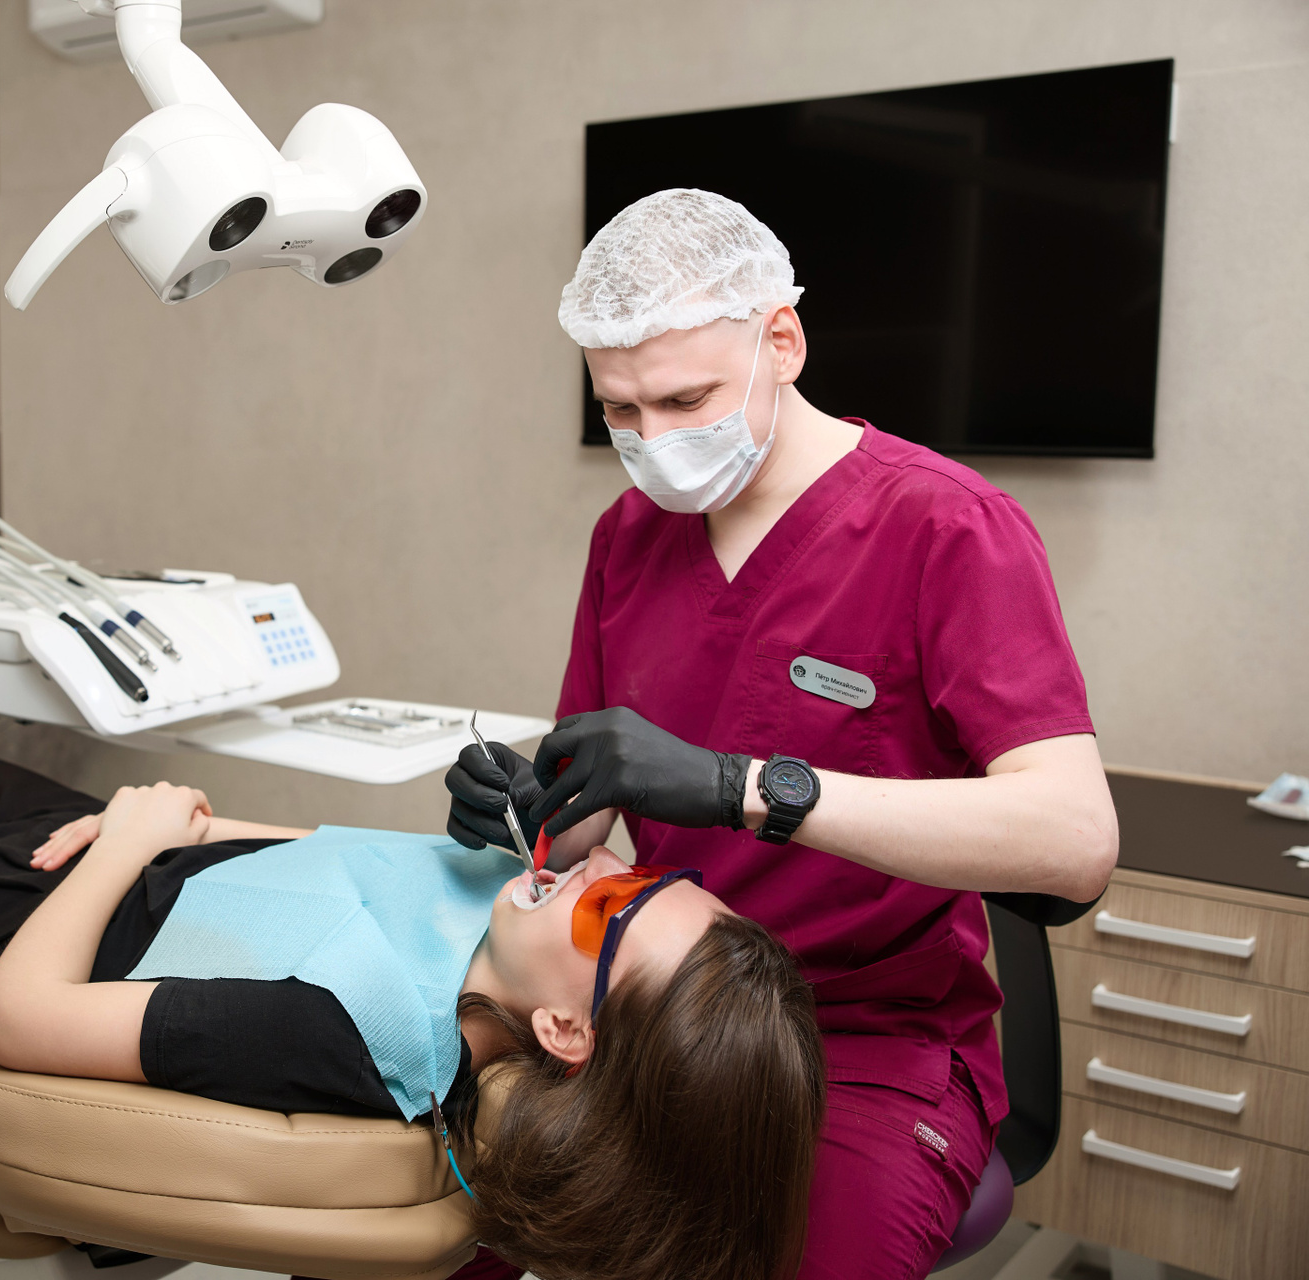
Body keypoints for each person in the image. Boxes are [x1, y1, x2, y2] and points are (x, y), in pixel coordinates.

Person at [446, 189, 1119, 1280]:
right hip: (643, 1017)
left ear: (784, 341)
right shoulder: (630, 536)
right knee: (436, 1227)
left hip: (862, 1035)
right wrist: (527, 811)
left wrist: (742, 784)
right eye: (621, 411)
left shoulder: (946, 525)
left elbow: (1076, 838)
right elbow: (589, 821)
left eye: (686, 398)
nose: (655, 441)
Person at [0, 728, 824, 1280]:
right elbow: (329, 860)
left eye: (609, 909)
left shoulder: (353, 1032)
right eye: (644, 873)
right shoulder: (499, 930)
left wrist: (127, 841)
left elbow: (18, 1019)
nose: (597, 865)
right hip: (131, 861)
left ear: (566, 1030)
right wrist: (178, 823)